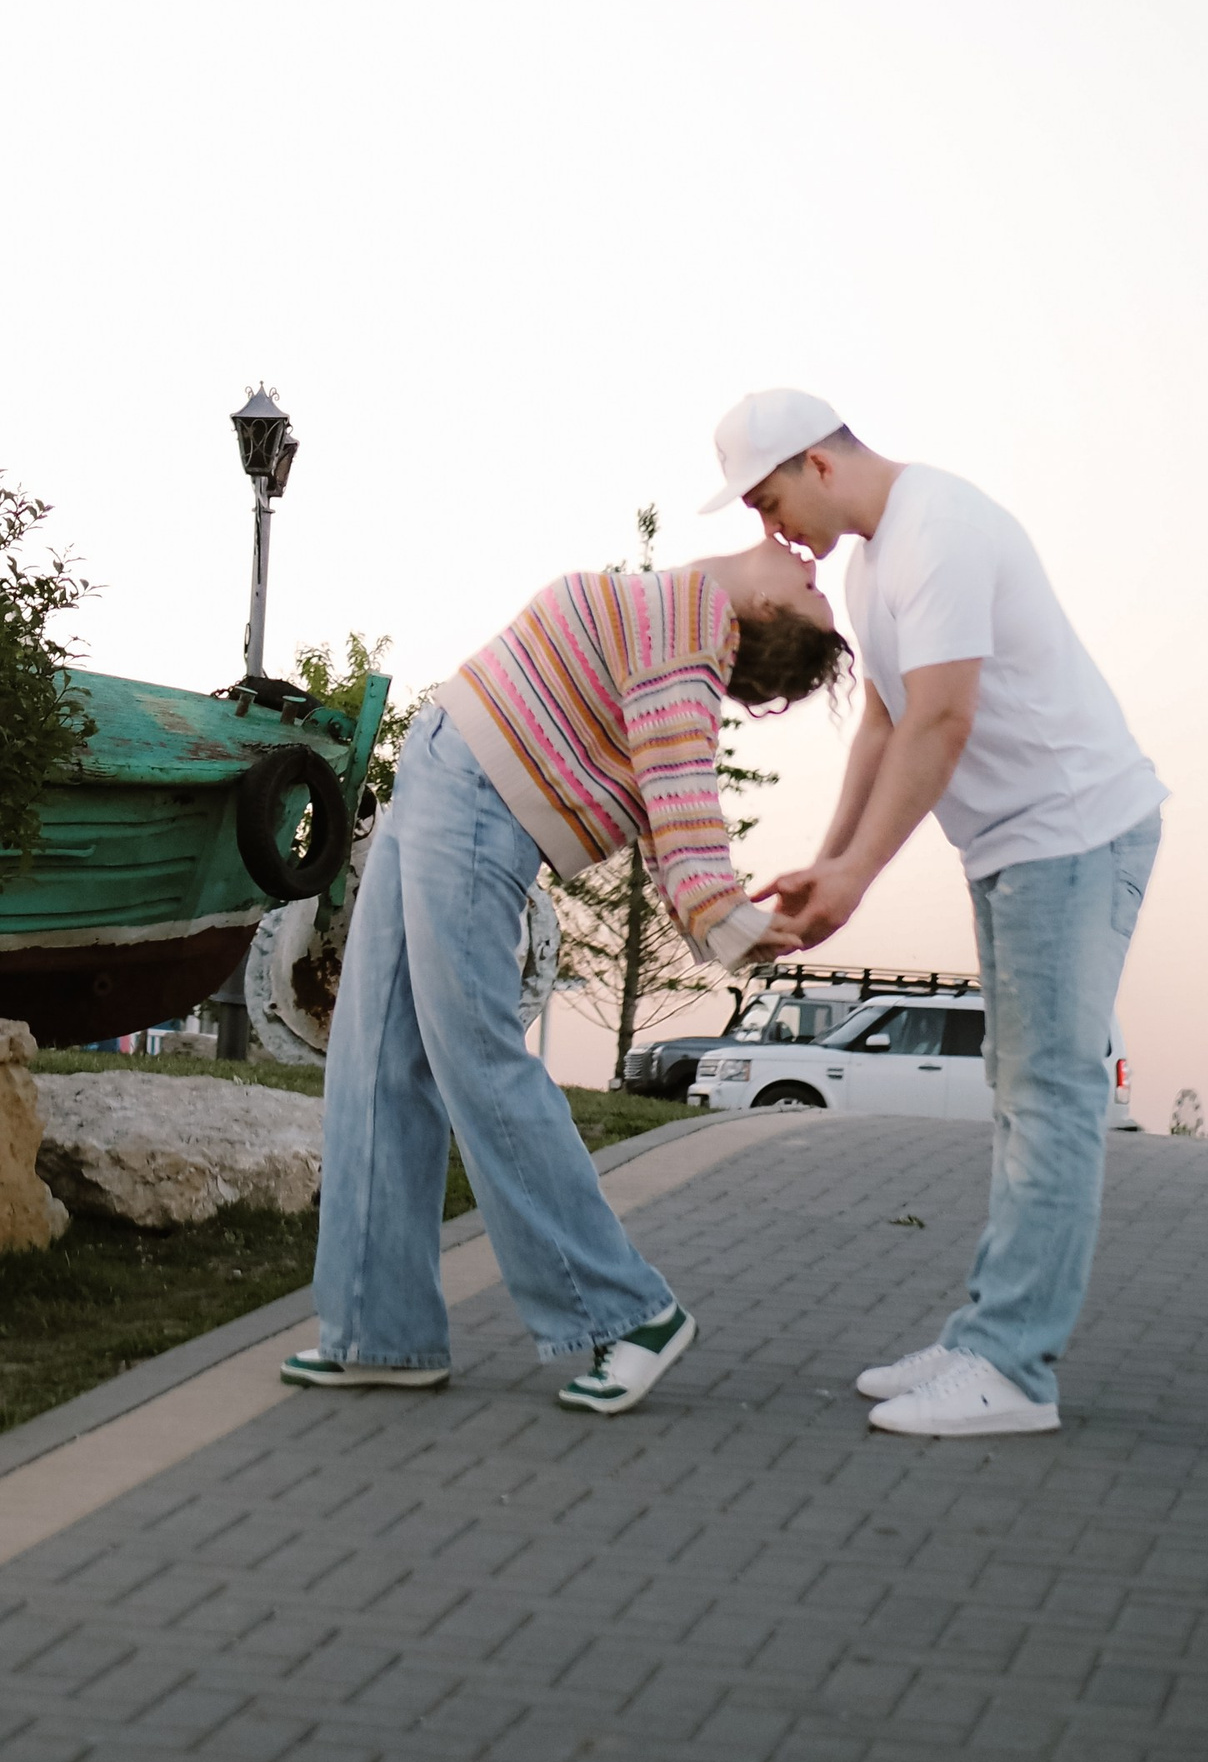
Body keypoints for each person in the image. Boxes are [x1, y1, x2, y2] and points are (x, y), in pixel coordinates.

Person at [287, 538, 847, 1417]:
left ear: (764, 614)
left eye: (812, 590)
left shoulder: (697, 619)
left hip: (475, 802)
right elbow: (670, 778)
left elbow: (682, 789)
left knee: (476, 1056)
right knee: (376, 1059)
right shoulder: (677, 608)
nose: (811, 566)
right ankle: (378, 1329)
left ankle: (631, 1312)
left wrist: (730, 918)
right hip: (442, 780)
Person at [706, 387, 1166, 1440]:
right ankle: (981, 1337)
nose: (770, 530)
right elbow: (883, 717)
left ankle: (1013, 1368)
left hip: (1072, 831)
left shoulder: (940, 531)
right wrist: (828, 861)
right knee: (1015, 1092)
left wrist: (860, 875)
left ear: (818, 464)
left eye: (770, 499)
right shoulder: (873, 567)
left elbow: (945, 719)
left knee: (1047, 1097)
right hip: (1013, 843)